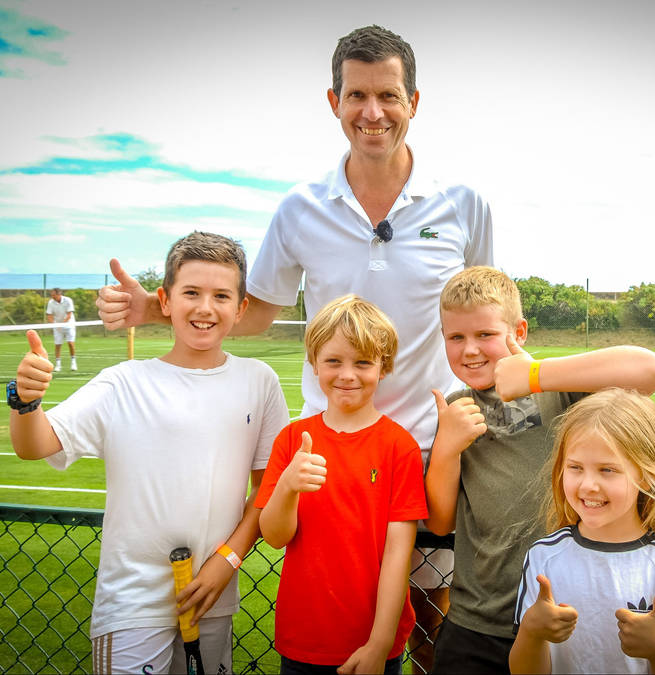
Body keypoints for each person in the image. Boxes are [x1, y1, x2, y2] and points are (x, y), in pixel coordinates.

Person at [95, 26, 493, 665]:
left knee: (432, 620)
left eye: (388, 95)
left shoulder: (464, 204)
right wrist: (152, 307)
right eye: (356, 94)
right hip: (328, 452)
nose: (373, 112)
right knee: (340, 604)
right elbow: (258, 313)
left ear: (414, 102)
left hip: (429, 445)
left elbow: (486, 312)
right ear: (333, 101)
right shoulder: (300, 207)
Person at [8, 232, 289, 674]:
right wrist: (26, 400)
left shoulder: (260, 381)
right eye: (191, 293)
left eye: (221, 295)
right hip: (132, 603)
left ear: (240, 308)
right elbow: (35, 444)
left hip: (213, 598)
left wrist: (227, 561)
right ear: (165, 300)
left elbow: (267, 491)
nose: (204, 308)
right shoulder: (123, 382)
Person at [425, 266, 655, 673]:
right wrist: (447, 449)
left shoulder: (559, 392)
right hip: (478, 621)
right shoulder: (455, 405)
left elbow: (649, 370)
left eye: (485, 335)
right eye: (456, 337)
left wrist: (536, 374)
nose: (470, 350)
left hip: (566, 620)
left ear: (519, 332)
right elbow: (439, 522)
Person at [255, 294, 427, 675]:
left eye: (362, 362)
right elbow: (274, 536)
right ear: (314, 363)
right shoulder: (292, 439)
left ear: (384, 368)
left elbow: (399, 555)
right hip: (303, 637)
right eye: (333, 360)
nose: (347, 375)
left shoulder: (399, 447)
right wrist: (287, 486)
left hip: (374, 641)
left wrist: (380, 642)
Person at [509, 389, 655, 674]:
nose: (588, 485)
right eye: (575, 467)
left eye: (607, 470)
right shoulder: (543, 557)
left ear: (648, 476)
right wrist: (531, 632)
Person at [46, 288, 77, 371]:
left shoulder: (68, 300)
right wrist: (54, 325)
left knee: (70, 343)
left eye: (54, 295)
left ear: (59, 294)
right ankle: (58, 365)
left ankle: (73, 363)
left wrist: (62, 324)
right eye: (51, 295)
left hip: (69, 325)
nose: (52, 296)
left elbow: (69, 314)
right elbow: (49, 315)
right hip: (57, 326)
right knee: (58, 345)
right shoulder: (50, 302)